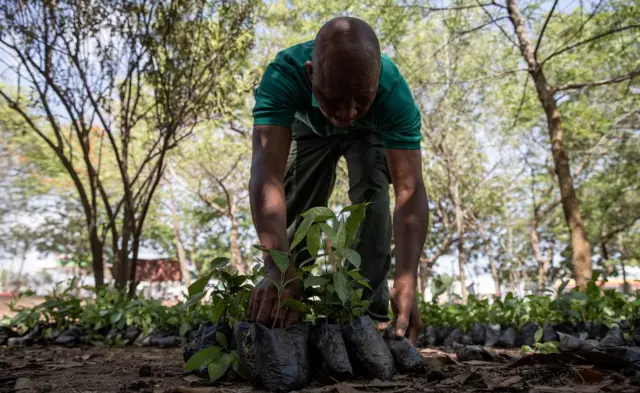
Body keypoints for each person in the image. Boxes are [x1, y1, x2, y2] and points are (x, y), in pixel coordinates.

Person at [246, 16, 429, 344]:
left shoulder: (393, 95)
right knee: (295, 200)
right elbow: (266, 173)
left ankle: (367, 315)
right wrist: (275, 263)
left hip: (370, 132)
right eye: (335, 98)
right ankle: (288, 301)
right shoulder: (283, 76)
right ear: (310, 73)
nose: (347, 113)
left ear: (376, 84)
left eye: (362, 98)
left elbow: (409, 189)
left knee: (373, 198)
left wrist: (406, 278)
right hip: (307, 127)